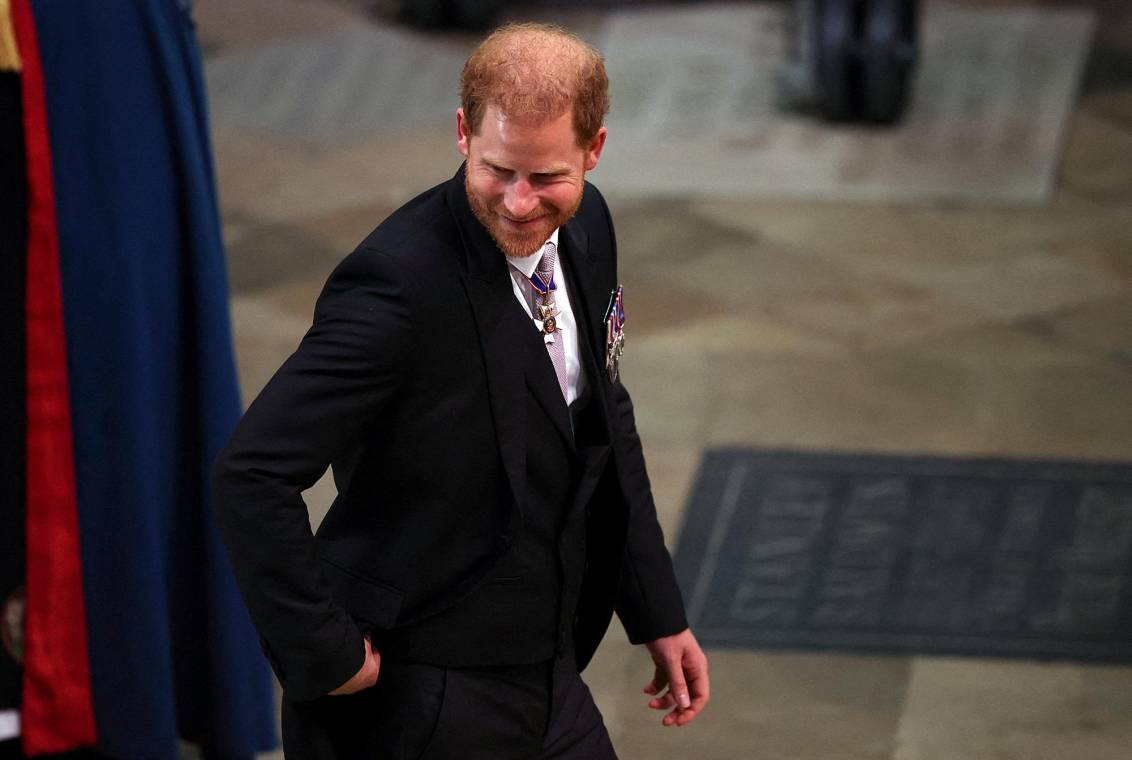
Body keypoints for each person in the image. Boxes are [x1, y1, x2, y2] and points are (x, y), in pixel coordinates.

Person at [212, 22, 709, 760]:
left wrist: (657, 610)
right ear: (461, 132)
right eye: (497, 169)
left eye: (547, 178)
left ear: (593, 151)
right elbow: (250, 473)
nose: (517, 203)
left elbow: (606, 418)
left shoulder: (589, 226)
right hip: (419, 698)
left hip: (550, 674)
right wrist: (327, 651)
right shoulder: (396, 288)